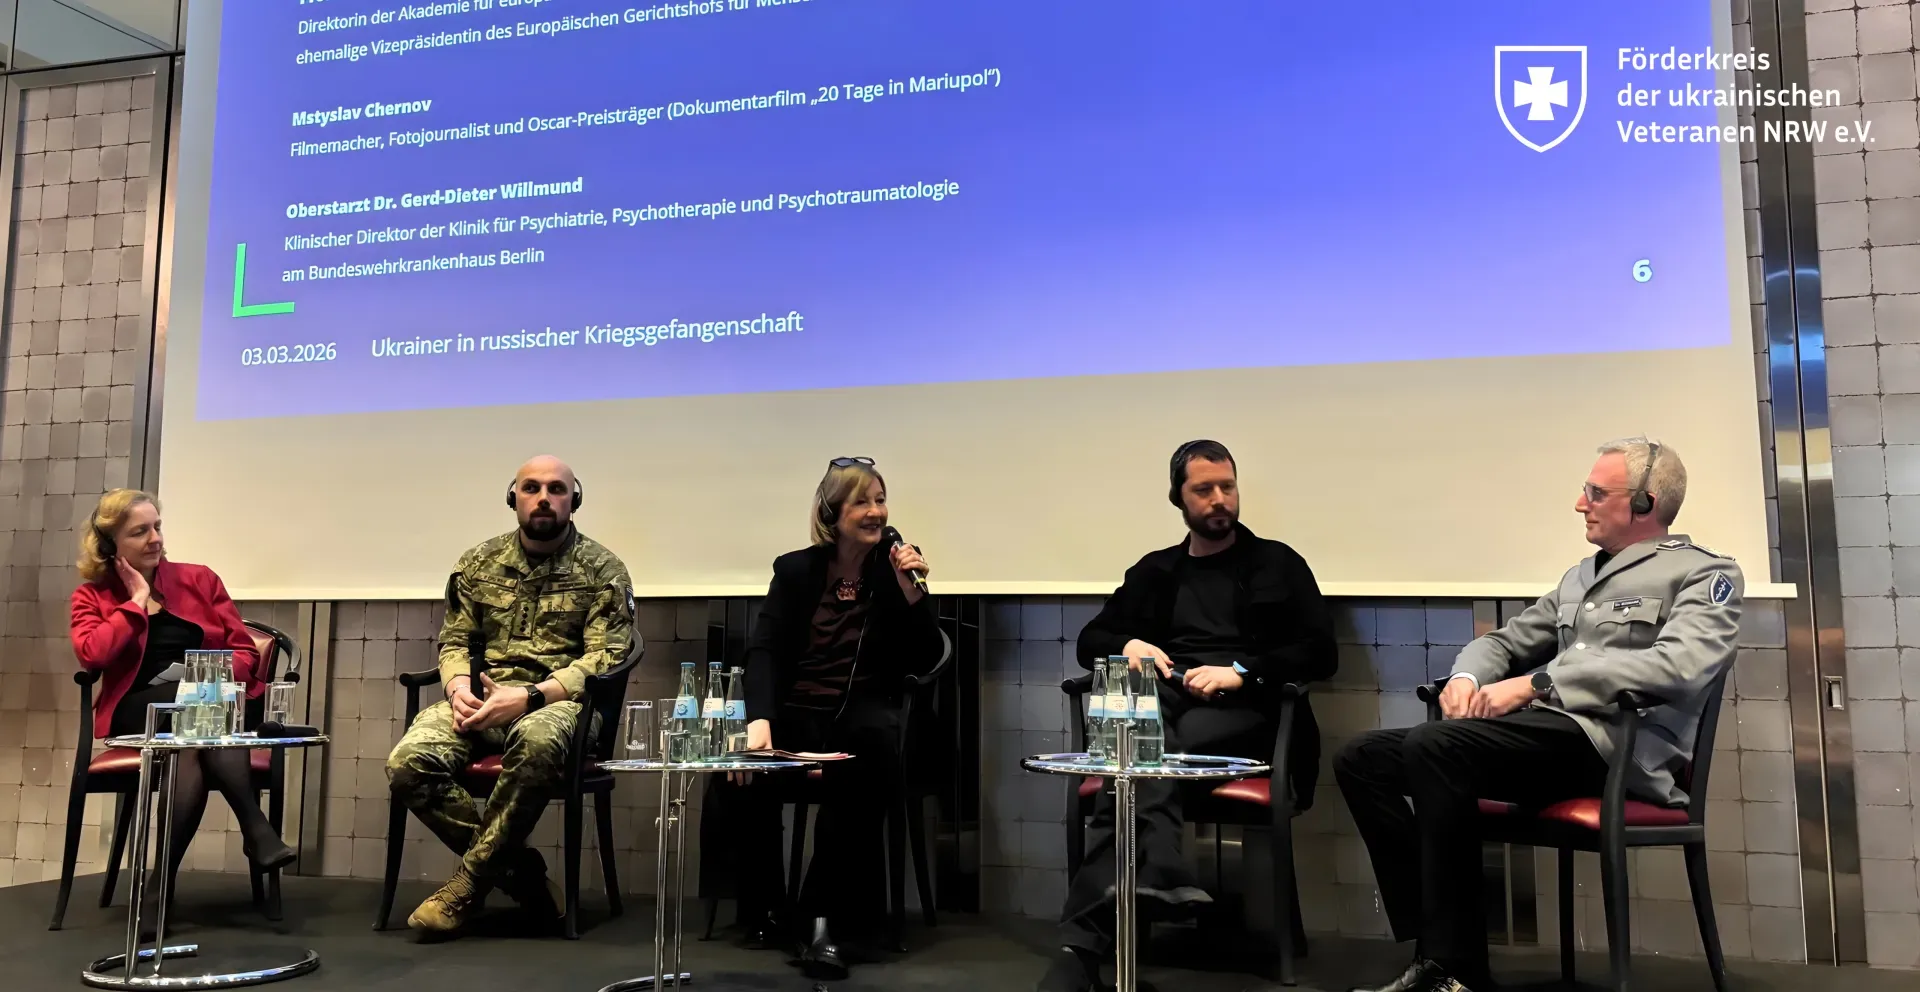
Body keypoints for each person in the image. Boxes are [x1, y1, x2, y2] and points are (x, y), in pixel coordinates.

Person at [1334, 438, 1744, 992]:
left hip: (1616, 750)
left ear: (1644, 505)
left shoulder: (1704, 575)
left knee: (1435, 747)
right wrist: (1466, 679)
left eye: (1597, 493)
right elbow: (1505, 641)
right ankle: (1435, 941)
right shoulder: (1579, 578)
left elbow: (1681, 665)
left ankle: (1455, 970)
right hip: (1550, 741)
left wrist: (1537, 684)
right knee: (1362, 758)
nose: (1581, 503)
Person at [1039, 439, 1339, 992]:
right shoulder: (1156, 571)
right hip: (1169, 706)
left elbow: (1321, 652)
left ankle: (1079, 947)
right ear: (1178, 497)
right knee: (1136, 749)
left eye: (1228, 487)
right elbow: (1092, 639)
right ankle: (1157, 874)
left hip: (1252, 714)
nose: (1220, 499)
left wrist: (1243, 671)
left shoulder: (1278, 562)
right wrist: (1130, 643)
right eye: (1204, 490)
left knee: (1128, 765)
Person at [701, 456, 942, 980]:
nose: (877, 512)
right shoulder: (795, 570)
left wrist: (911, 594)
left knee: (865, 758)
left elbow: (927, 657)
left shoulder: (895, 574)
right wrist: (758, 720)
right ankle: (765, 910)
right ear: (832, 513)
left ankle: (822, 920)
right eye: (863, 501)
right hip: (797, 712)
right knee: (739, 770)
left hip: (862, 714)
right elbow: (763, 649)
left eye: (881, 500)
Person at [385, 455, 634, 935]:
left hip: (563, 707)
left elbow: (603, 659)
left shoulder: (604, 569)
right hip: (484, 699)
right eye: (532, 487)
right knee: (408, 763)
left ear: (573, 499)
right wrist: (457, 688)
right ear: (513, 497)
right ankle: (521, 874)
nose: (544, 498)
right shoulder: (478, 562)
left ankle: (465, 887)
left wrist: (531, 697)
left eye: (556, 489)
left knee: (537, 741)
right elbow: (455, 640)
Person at [69, 489, 297, 907]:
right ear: (109, 545)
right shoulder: (93, 596)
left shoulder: (200, 580)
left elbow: (246, 652)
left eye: (157, 526)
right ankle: (255, 827)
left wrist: (214, 678)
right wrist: (135, 603)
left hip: (205, 706)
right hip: (137, 710)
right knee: (200, 706)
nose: (155, 538)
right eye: (140, 532)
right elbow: (93, 654)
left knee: (190, 738)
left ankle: (161, 885)